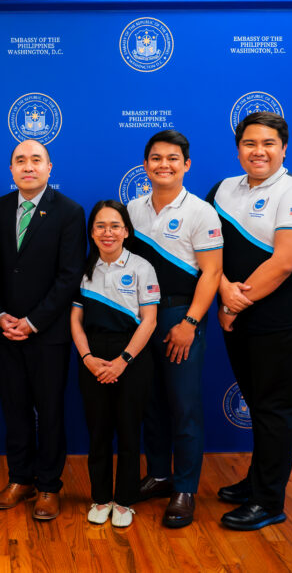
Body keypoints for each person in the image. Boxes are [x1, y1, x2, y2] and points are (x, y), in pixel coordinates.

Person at [207, 112, 292, 531]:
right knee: (259, 405)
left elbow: (284, 263)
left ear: (284, 148)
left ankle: (269, 501)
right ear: (239, 148)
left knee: (276, 409)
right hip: (239, 320)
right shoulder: (222, 190)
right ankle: (258, 481)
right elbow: (205, 250)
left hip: (281, 323)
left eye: (268, 143)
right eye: (250, 143)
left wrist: (232, 303)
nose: (259, 151)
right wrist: (222, 292)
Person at [0, 139, 85, 521]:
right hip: (4, 331)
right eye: (20, 160)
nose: (28, 166)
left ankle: (48, 487)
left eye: (35, 160)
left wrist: (33, 321)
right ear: (11, 169)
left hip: (48, 333)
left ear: (49, 167)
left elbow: (70, 274)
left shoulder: (70, 212)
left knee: (51, 411)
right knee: (15, 409)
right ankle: (20, 480)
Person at [127, 130, 223, 528]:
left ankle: (184, 488)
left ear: (186, 164)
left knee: (183, 405)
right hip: (140, 317)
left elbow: (212, 272)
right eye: (155, 158)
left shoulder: (201, 211)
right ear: (145, 165)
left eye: (172, 158)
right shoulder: (132, 209)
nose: (163, 165)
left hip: (180, 316)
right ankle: (160, 475)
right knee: (150, 402)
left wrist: (189, 323)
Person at [70, 200, 158, 528]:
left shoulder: (142, 267)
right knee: (98, 432)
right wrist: (88, 358)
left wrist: (123, 361)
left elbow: (149, 321)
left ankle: (124, 501)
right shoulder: (84, 269)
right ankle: (101, 498)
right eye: (101, 226)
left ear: (126, 231)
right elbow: (76, 321)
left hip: (132, 358)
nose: (108, 233)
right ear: (92, 232)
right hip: (92, 357)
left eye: (115, 226)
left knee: (129, 432)